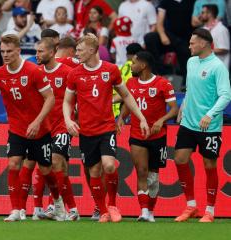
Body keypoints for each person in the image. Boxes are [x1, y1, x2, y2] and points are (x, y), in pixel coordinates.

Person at [0, 34, 65, 222]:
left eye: (9, 51)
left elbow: (50, 98)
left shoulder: (33, 71)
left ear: (18, 50)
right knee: (13, 164)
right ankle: (16, 210)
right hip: (16, 130)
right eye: (2, 51)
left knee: (47, 170)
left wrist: (38, 121)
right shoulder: (0, 73)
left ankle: (58, 202)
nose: (5, 55)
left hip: (39, 131)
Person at [63, 33, 150, 223]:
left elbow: (126, 96)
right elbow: (67, 101)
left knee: (109, 165)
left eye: (80, 49)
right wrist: (68, 121)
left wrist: (141, 118)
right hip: (86, 130)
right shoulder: (74, 73)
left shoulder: (111, 70)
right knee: (94, 172)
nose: (76, 53)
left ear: (92, 50)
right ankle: (102, 211)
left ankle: (112, 204)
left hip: (106, 127)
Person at [173, 28, 231, 223]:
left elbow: (226, 95)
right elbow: (190, 89)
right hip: (189, 122)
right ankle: (191, 206)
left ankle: (210, 210)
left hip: (209, 125)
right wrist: (183, 106)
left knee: (209, 165)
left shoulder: (218, 66)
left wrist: (210, 114)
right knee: (180, 159)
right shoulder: (191, 62)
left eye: (192, 43)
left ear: (204, 43)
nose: (189, 46)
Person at [116, 51, 178, 222]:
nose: (131, 65)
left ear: (143, 66)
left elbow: (174, 109)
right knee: (141, 171)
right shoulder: (130, 83)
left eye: (134, 63)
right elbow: (129, 104)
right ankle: (143, 211)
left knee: (153, 175)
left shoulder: (163, 84)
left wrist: (161, 120)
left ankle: (151, 211)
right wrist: (122, 117)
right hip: (137, 134)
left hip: (158, 136)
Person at [34, 38, 79, 221]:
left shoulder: (68, 72)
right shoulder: (36, 73)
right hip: (44, 127)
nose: (37, 55)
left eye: (40, 51)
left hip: (62, 124)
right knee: (59, 169)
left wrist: (75, 119)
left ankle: (56, 205)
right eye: (36, 51)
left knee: (55, 161)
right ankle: (73, 209)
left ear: (52, 52)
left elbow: (77, 96)